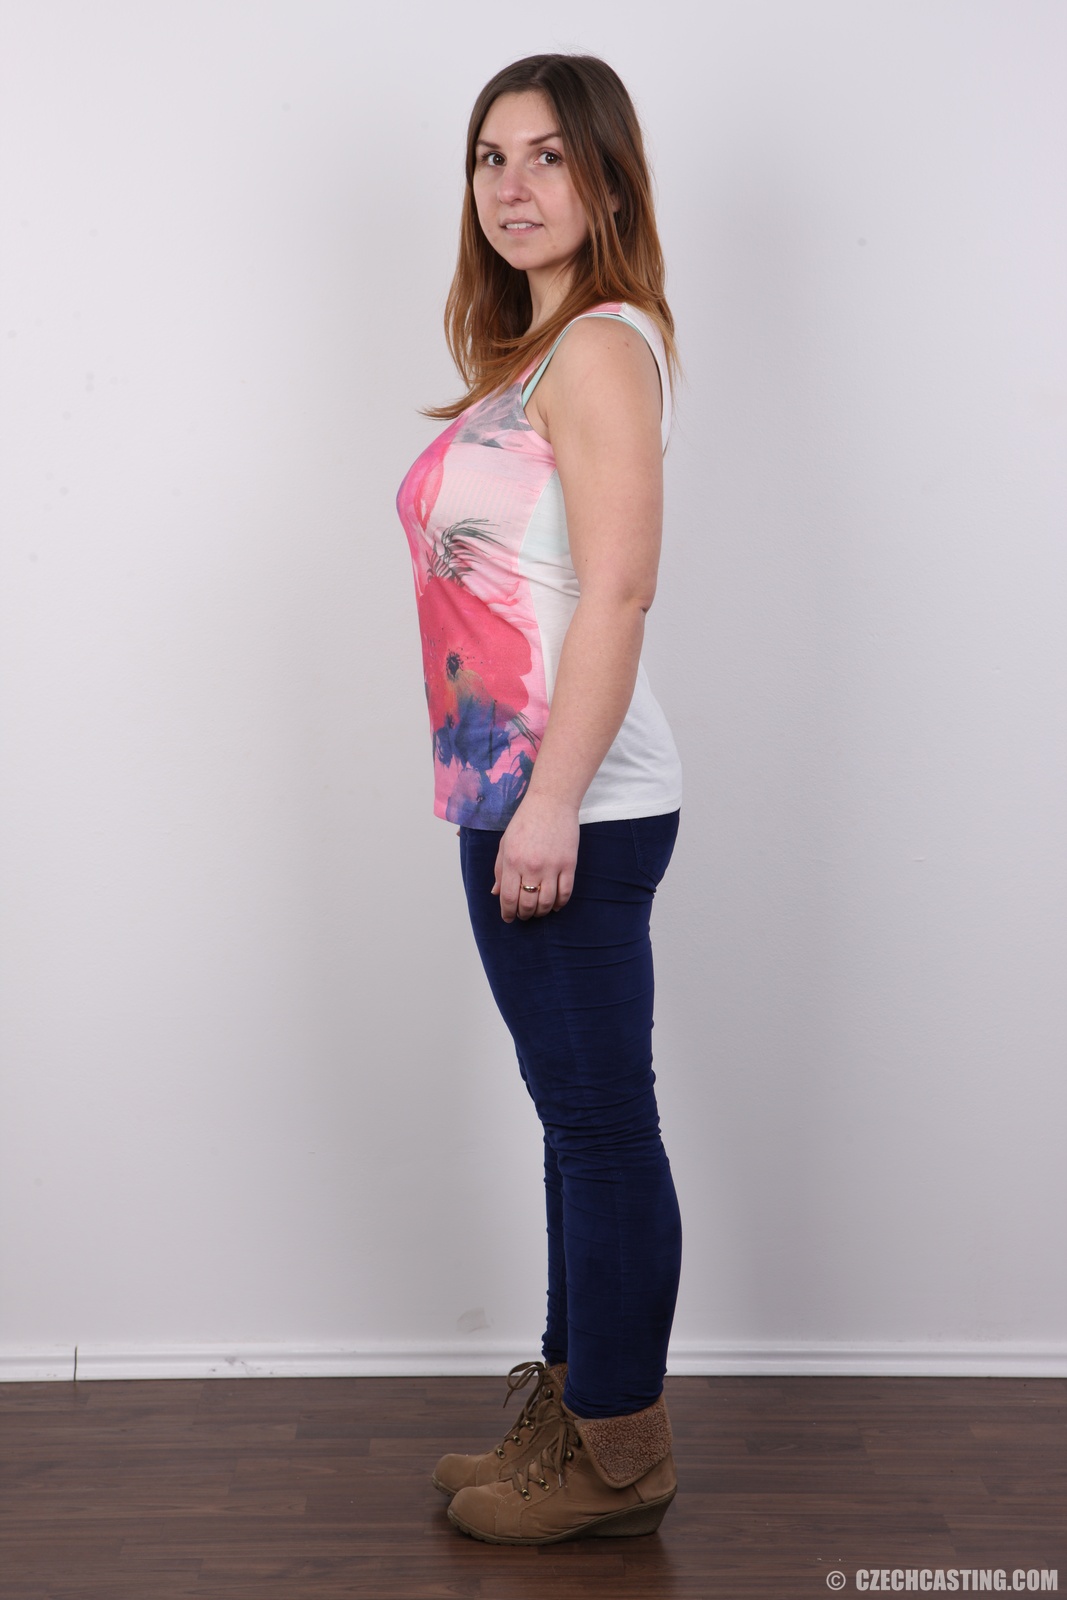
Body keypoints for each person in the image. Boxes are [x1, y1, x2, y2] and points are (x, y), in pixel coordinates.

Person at [396, 52, 683, 1546]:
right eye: (489, 158)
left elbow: (620, 591)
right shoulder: (537, 356)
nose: (511, 187)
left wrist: (554, 801)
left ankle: (620, 1458)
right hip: (507, 798)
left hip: (575, 801)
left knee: (603, 1125)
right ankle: (572, 1419)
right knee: (576, 1124)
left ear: (607, 178)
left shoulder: (602, 350)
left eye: (549, 156)